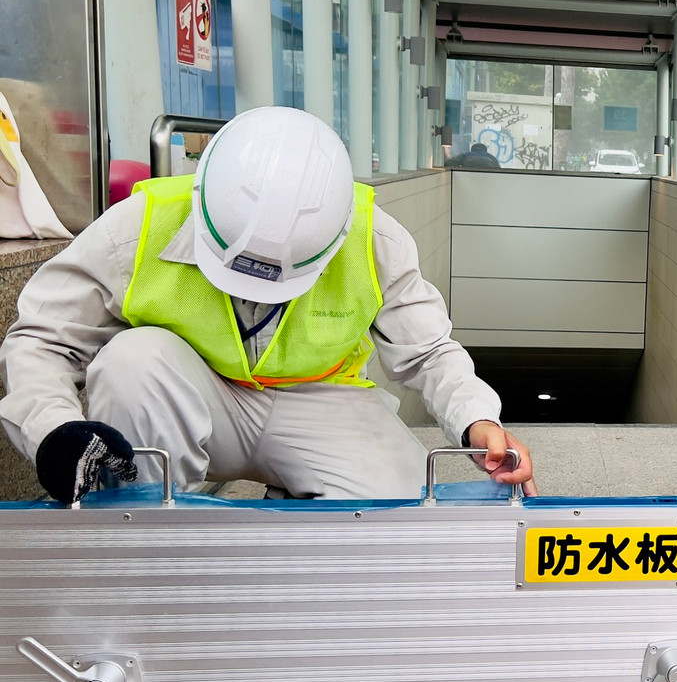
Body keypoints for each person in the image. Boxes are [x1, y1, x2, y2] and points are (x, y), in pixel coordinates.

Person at [0, 106, 535, 504]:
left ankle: (293, 510)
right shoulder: (138, 227)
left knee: (399, 510)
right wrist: (53, 432)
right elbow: (42, 339)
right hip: (195, 400)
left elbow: (429, 353)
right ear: (202, 193)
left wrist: (478, 421)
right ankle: (152, 536)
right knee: (131, 360)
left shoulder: (374, 241)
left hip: (320, 404)